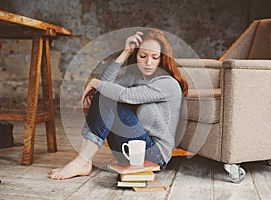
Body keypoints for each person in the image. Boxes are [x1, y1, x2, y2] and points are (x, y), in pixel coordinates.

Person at [49, 29, 188, 180]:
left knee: (108, 94)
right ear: (136, 55)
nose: (148, 62)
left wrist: (95, 82)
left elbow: (123, 94)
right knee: (106, 93)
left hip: (154, 156)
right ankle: (84, 160)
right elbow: (104, 87)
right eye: (143, 56)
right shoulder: (134, 78)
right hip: (127, 151)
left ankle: (82, 161)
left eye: (155, 57)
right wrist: (125, 52)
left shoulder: (168, 83)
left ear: (162, 59)